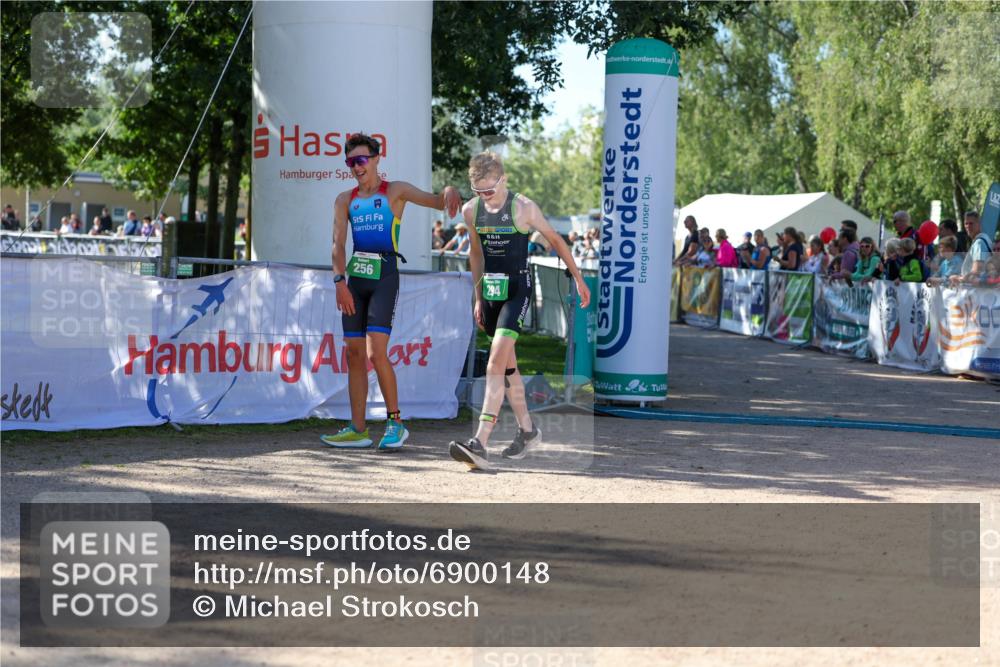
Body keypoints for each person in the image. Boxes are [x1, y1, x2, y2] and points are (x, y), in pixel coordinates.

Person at [449, 151, 590, 470]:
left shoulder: (523, 207)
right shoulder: (471, 211)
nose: (486, 197)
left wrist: (578, 279)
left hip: (517, 290)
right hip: (490, 293)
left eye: (490, 190)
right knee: (509, 369)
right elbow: (475, 254)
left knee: (496, 361)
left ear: (504, 180)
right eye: (479, 192)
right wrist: (477, 295)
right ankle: (528, 432)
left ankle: (480, 442)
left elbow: (556, 239)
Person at [321, 133, 460, 451]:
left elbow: (437, 200)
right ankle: (357, 429)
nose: (356, 167)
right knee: (354, 355)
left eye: (361, 160)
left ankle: (395, 422)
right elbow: (337, 244)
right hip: (355, 281)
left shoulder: (395, 191)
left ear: (376, 159)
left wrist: (449, 191)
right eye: (350, 162)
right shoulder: (345, 199)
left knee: (375, 353)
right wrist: (339, 282)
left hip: (384, 277)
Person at [951, 210, 992, 286]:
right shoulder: (984, 240)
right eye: (966, 223)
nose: (968, 226)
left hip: (977, 292)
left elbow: (976, 271)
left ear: (979, 224)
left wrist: (959, 279)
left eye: (971, 223)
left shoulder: (979, 243)